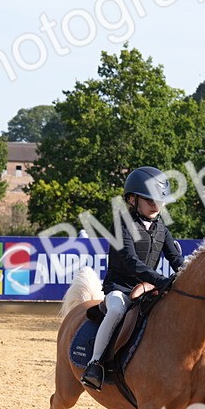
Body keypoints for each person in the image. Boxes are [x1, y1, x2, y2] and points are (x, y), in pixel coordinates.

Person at [80, 167, 184, 391]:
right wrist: (160, 279)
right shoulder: (122, 224)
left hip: (147, 288)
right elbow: (130, 260)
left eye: (160, 200)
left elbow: (175, 257)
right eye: (150, 200)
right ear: (132, 199)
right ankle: (95, 364)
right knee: (117, 311)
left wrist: (186, 273)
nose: (156, 205)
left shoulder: (161, 228)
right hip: (120, 287)